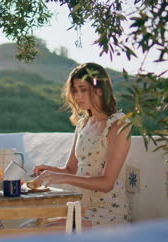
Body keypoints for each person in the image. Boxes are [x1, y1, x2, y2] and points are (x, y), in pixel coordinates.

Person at [32, 62, 131, 229]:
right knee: (33, 225)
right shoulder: (83, 124)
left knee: (46, 232)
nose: (78, 97)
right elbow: (71, 169)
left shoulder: (118, 124)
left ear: (99, 89)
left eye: (83, 89)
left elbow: (107, 183)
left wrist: (61, 177)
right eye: (75, 91)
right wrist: (48, 171)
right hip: (80, 206)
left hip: (108, 211)